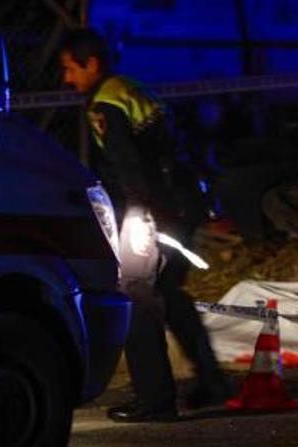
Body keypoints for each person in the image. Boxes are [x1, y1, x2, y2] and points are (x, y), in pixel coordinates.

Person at [60, 28, 231, 422]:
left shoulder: (106, 105)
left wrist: (138, 217)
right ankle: (212, 381)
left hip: (149, 213)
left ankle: (154, 400)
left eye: (71, 69)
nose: (68, 80)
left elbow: (129, 167)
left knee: (136, 298)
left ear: (93, 64)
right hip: (181, 206)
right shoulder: (133, 89)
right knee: (170, 294)